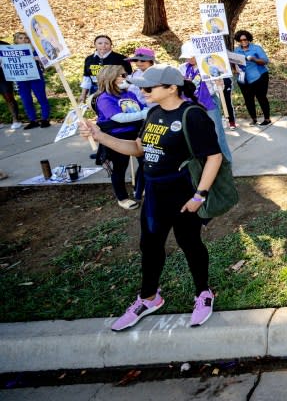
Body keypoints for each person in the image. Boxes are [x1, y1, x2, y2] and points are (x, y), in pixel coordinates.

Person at [80, 64, 222, 330]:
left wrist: (199, 195)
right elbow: (137, 148)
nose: (141, 91)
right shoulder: (154, 112)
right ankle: (149, 298)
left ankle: (203, 293)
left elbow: (214, 156)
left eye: (148, 88)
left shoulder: (193, 115)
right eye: (141, 87)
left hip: (183, 192)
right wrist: (101, 136)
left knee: (189, 243)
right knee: (150, 245)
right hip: (154, 192)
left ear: (171, 88)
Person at [94, 65, 147, 210]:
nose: (126, 78)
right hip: (117, 136)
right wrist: (144, 114)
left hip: (136, 133)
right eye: (123, 75)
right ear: (111, 78)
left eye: (126, 75)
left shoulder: (130, 94)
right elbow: (119, 118)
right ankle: (122, 197)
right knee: (119, 168)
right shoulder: (104, 98)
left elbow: (142, 107)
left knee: (146, 162)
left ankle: (141, 188)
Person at [179, 42, 233, 163]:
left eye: (191, 56)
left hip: (209, 102)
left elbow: (219, 88)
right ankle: (205, 163)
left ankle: (226, 162)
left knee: (217, 133)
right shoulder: (183, 68)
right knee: (197, 135)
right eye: (187, 57)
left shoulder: (209, 66)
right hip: (190, 104)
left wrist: (219, 83)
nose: (189, 59)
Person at [12, 32, 51, 128]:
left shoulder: (35, 50)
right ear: (16, 40)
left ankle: (45, 119)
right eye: (20, 38)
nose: (24, 40)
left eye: (25, 38)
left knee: (41, 98)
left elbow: (47, 63)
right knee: (26, 100)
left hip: (36, 77)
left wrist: (38, 59)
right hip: (21, 79)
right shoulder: (11, 52)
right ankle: (33, 120)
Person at [232, 30, 271, 126]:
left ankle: (267, 119)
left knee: (261, 97)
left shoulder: (256, 48)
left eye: (245, 39)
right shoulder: (237, 51)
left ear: (248, 39)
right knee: (248, 99)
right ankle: (254, 119)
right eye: (240, 41)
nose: (243, 42)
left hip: (259, 77)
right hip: (244, 79)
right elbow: (233, 62)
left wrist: (254, 59)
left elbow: (265, 61)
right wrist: (235, 68)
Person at [78, 35, 132, 103]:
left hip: (115, 90)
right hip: (95, 91)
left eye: (106, 43)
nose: (103, 45)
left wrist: (128, 92)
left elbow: (129, 77)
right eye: (100, 43)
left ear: (111, 45)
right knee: (98, 111)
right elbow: (87, 78)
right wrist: (83, 95)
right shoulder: (89, 59)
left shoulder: (121, 58)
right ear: (95, 45)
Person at [0, 39, 24, 130]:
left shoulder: (4, 44)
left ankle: (16, 120)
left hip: (3, 77)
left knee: (9, 98)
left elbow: (14, 58)